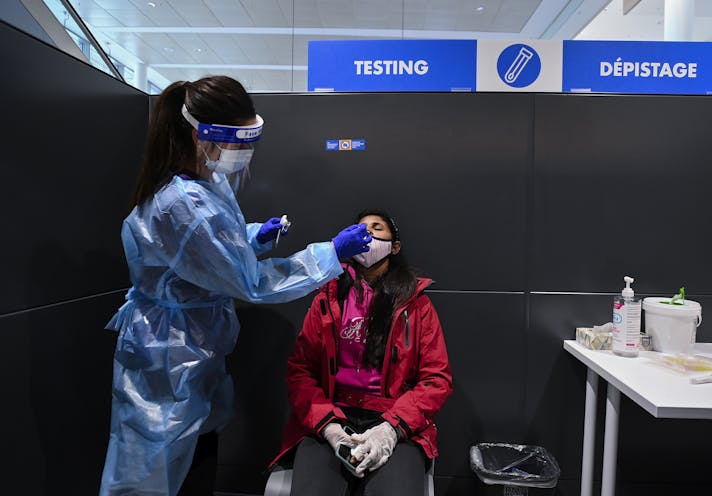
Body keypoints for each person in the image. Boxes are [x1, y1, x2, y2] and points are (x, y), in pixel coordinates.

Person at [99, 75, 371, 496]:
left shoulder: (207, 183)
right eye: (239, 138)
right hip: (167, 357)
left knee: (195, 459)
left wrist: (251, 238)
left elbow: (205, 257)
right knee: (150, 477)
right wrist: (331, 254)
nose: (244, 151)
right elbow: (249, 282)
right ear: (201, 134)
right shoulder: (182, 205)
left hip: (191, 351)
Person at [270, 209, 453, 496]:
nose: (366, 233)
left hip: (394, 420)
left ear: (394, 246)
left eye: (376, 228)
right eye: (360, 229)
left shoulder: (416, 305)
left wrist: (390, 431)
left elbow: (436, 380)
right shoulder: (327, 297)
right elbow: (300, 371)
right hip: (331, 416)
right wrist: (330, 428)